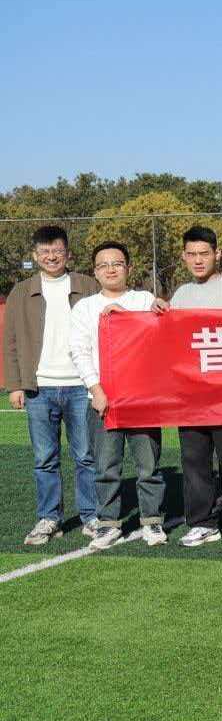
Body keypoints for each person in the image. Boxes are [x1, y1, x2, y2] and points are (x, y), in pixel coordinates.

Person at [67, 241, 166, 548]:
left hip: (142, 399)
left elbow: (158, 338)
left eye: (117, 263)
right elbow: (79, 351)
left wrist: (138, 315)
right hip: (103, 400)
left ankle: (152, 521)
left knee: (148, 466)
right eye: (103, 265)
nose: (110, 270)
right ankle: (108, 523)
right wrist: (96, 390)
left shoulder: (144, 299)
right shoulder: (84, 307)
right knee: (106, 467)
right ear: (95, 272)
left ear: (129, 268)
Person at [6, 225, 99, 545]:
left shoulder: (87, 285)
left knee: (86, 456)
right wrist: (15, 385)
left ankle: (91, 516)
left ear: (68, 253)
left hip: (81, 386)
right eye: (44, 252)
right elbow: (11, 341)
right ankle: (49, 518)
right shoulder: (21, 291)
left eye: (57, 251)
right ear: (35, 255)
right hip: (39, 388)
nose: (51, 257)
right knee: (45, 459)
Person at [163, 226, 222, 547]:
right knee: (194, 459)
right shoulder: (181, 295)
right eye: (192, 254)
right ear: (184, 257)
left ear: (217, 253)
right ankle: (202, 522)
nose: (198, 260)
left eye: (204, 253)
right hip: (191, 393)